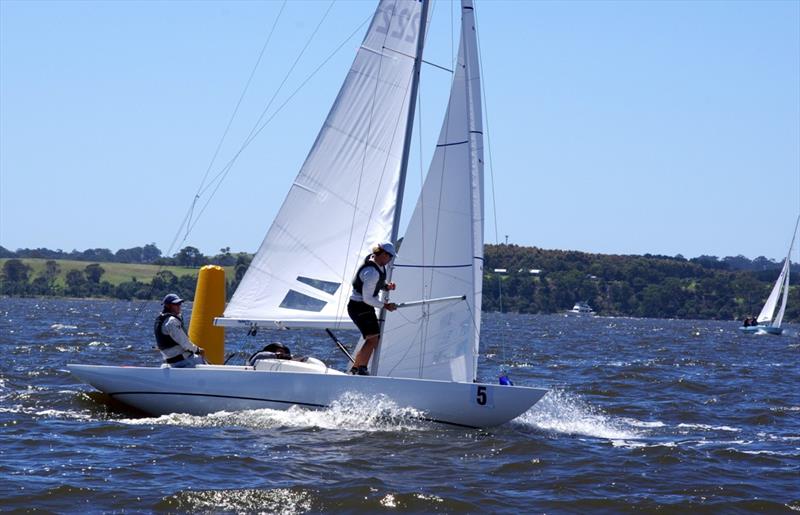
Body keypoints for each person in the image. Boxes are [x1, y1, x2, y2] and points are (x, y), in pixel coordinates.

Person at [346, 242, 398, 375]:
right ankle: (362, 369)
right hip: (359, 306)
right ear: (384, 254)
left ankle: (355, 369)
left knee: (373, 338)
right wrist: (385, 306)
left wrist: (386, 287)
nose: (390, 260)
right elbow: (367, 298)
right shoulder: (371, 272)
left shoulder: (377, 265)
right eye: (390, 257)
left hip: (363, 307)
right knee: (373, 338)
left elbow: (376, 284)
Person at [154, 293, 206, 368]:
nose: (179, 306)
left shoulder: (160, 320)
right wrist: (198, 350)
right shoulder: (172, 321)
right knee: (205, 364)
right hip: (185, 361)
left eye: (179, 304)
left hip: (172, 362)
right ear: (168, 305)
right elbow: (185, 343)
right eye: (176, 304)